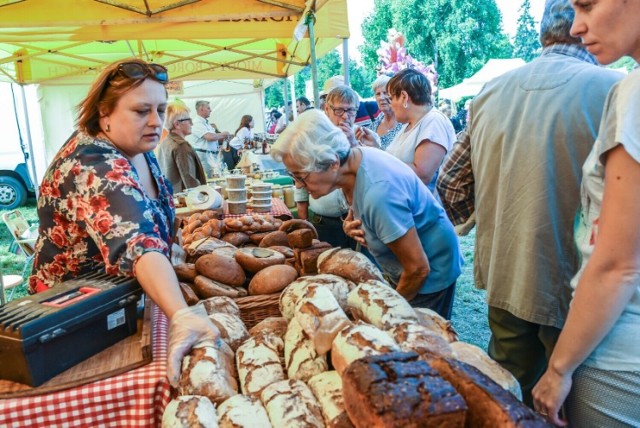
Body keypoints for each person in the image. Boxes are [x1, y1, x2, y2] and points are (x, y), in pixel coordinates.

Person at [436, 0, 622, 407]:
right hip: (581, 283)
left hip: (508, 273)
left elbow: (449, 183)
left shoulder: (491, 91)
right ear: (579, 27)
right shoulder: (615, 88)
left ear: (542, 33)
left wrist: (497, 214)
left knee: (506, 398)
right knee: (571, 402)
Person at [28, 59, 221, 388]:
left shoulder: (136, 148)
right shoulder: (93, 163)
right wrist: (180, 313)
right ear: (104, 113)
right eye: (141, 110)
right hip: (70, 326)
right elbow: (137, 241)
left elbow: (153, 212)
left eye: (160, 110)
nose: (155, 122)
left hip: (115, 310)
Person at [532, 0, 640, 426]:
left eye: (588, 5)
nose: (577, 26)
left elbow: (617, 266)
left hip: (619, 354)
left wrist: (558, 369)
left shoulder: (632, 94)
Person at [272, 110, 462, 317]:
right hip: (410, 264)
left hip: (430, 272)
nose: (298, 185)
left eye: (301, 176)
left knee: (415, 336)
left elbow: (418, 270)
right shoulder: (354, 161)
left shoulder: (379, 192)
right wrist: (353, 224)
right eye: (293, 176)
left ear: (333, 162)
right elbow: (361, 204)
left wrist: (384, 314)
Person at [386, 68, 456, 194]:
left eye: (391, 98)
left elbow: (422, 175)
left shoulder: (434, 121)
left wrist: (378, 164)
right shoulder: (410, 124)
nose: (390, 105)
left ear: (404, 97)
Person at [156, 102, 207, 192]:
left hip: (172, 197)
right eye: (189, 120)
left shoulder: (165, 142)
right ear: (177, 124)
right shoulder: (181, 146)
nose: (192, 124)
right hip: (185, 200)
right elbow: (190, 181)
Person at [358, 74, 402, 151]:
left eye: (385, 93)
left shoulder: (404, 123)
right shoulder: (376, 122)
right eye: (378, 94)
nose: (381, 98)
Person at [188, 100, 230, 177]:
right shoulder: (197, 123)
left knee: (216, 177)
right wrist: (223, 134)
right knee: (208, 179)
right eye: (208, 108)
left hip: (211, 156)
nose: (210, 110)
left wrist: (218, 145)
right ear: (201, 109)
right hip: (205, 156)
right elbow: (210, 137)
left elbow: (213, 138)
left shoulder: (206, 124)